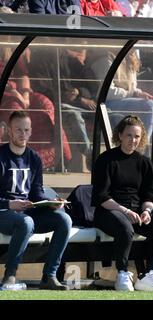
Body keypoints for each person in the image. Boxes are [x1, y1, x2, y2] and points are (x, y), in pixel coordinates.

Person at [91, 115, 153, 291]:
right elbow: (101, 196)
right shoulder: (106, 160)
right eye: (129, 135)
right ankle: (122, 273)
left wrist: (147, 211)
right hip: (108, 212)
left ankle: (151, 272)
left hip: (137, 215)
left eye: (137, 136)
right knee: (126, 228)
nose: (133, 140)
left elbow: (149, 195)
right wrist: (125, 211)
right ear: (120, 135)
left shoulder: (144, 162)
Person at [0, 111, 72, 290]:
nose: (22, 134)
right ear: (9, 131)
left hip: (26, 212)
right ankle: (10, 275)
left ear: (31, 131)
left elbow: (37, 193)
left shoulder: (34, 158)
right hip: (4, 213)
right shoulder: (1, 156)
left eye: (26, 130)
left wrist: (50, 202)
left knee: (64, 219)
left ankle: (49, 276)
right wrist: (10, 204)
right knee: (26, 221)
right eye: (18, 130)